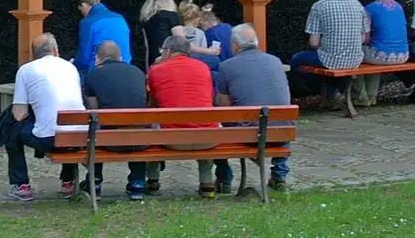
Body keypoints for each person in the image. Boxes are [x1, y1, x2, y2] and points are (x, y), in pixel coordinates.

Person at [7, 33, 86, 201]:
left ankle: (22, 185)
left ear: (34, 54)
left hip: (49, 140)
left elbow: (19, 114)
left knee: (11, 127)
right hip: (79, 137)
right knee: (67, 128)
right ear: (56, 50)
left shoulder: (26, 70)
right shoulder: (71, 68)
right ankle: (68, 182)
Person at [147, 33, 228, 197]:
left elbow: (152, 106)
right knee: (206, 121)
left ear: (168, 51)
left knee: (151, 125)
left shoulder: (156, 70)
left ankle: (153, 181)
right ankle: (206, 184)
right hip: (207, 140)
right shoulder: (203, 68)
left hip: (172, 139)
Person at [215, 24, 293, 191]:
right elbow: (286, 96)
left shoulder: (227, 66)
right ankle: (279, 176)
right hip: (282, 131)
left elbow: (224, 105)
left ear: (235, 46)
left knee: (216, 127)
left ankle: (224, 177)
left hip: (248, 135)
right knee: (278, 120)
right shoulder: (275, 61)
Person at [81, 40, 149, 200]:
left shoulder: (93, 75)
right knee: (135, 127)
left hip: (109, 141)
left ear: (98, 58)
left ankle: (95, 182)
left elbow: (93, 111)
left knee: (95, 130)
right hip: (141, 139)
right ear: (120, 57)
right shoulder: (137, 72)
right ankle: (137, 183)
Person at [289, 0, 369, 96]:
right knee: (328, 65)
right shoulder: (357, 4)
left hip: (329, 60)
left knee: (296, 60)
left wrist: (326, 43)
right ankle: (334, 94)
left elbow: (314, 43)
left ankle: (328, 93)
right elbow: (363, 38)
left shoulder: (319, 6)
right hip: (355, 60)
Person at [73, 0, 131, 73]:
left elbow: (84, 58)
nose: (81, 13)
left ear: (84, 5)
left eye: (80, 9)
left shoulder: (88, 22)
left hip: (98, 71)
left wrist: (73, 65)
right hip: (125, 68)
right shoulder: (120, 18)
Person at [363, 0, 411, 65]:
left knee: (356, 53)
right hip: (403, 55)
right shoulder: (399, 7)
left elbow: (366, 38)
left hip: (381, 56)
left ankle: (360, 80)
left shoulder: (370, 8)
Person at [139, 0, 181, 67]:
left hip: (153, 58)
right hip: (169, 57)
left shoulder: (146, 20)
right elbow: (181, 41)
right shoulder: (172, 16)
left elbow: (147, 47)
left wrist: (147, 68)